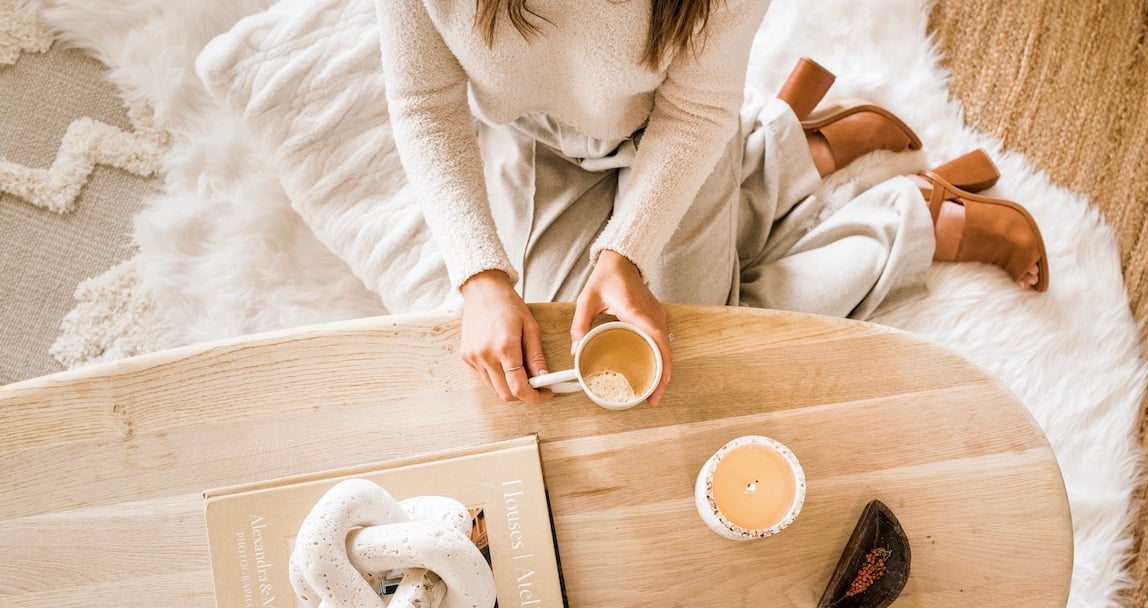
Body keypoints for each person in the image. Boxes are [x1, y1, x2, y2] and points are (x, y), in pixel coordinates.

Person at [375, 0, 1048, 407]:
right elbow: (423, 105)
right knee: (572, 366)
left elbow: (695, 109)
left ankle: (911, 220)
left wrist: (626, 253)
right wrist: (482, 281)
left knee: (685, 361)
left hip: (671, 126)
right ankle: (791, 151)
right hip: (535, 139)